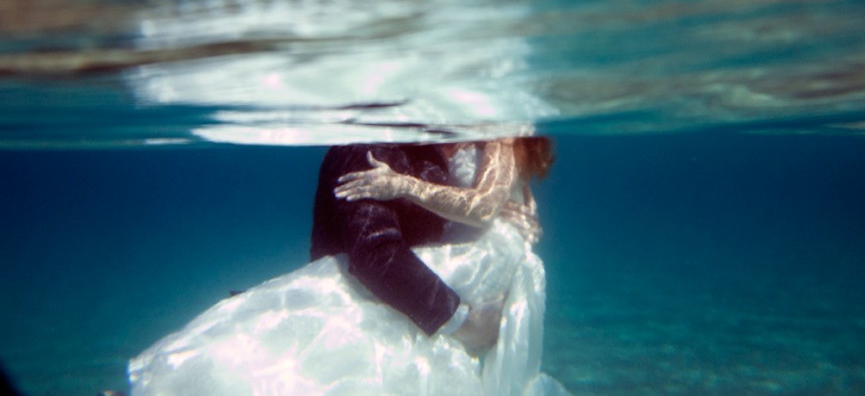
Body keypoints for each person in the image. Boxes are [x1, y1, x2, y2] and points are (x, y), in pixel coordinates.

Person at [128, 138, 568, 396]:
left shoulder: (450, 139)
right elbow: (375, 255)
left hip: (420, 298)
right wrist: (460, 321)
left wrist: (509, 219)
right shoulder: (366, 147)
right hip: (369, 298)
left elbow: (481, 204)